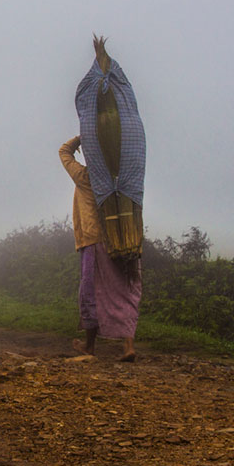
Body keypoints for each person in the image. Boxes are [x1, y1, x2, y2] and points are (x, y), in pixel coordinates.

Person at [60, 135, 141, 361]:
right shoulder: (123, 179)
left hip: (95, 242)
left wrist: (84, 135)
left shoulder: (86, 177)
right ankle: (128, 347)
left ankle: (89, 346)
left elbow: (64, 152)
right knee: (125, 290)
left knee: (91, 292)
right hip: (126, 239)